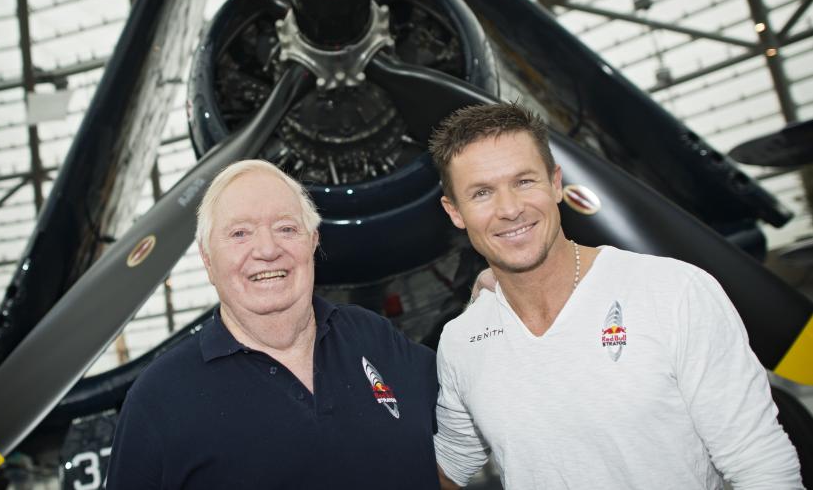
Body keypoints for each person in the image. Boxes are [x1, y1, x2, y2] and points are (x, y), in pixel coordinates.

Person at [427, 103, 802, 489]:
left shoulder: (673, 292)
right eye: (482, 193)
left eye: (524, 182)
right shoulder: (461, 341)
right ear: (454, 211)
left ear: (556, 183)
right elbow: (451, 464)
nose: (509, 209)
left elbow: (760, 463)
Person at [106, 160, 440, 489]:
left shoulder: (371, 334)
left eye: (286, 228)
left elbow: (465, 401)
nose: (267, 249)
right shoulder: (159, 399)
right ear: (208, 260)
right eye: (240, 233)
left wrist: (488, 296)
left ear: (313, 242)